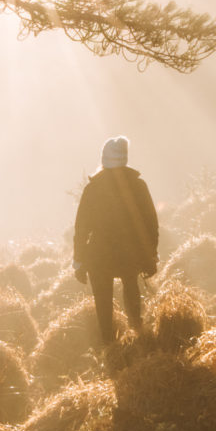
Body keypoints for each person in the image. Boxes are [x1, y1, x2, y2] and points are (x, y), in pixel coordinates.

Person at [73, 135, 158, 354]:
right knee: (131, 288)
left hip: (99, 256)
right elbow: (150, 225)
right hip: (129, 254)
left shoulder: (93, 189)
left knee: (103, 301)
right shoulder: (138, 186)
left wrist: (78, 262)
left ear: (104, 159)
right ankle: (138, 334)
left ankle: (107, 348)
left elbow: (82, 229)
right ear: (125, 159)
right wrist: (150, 257)